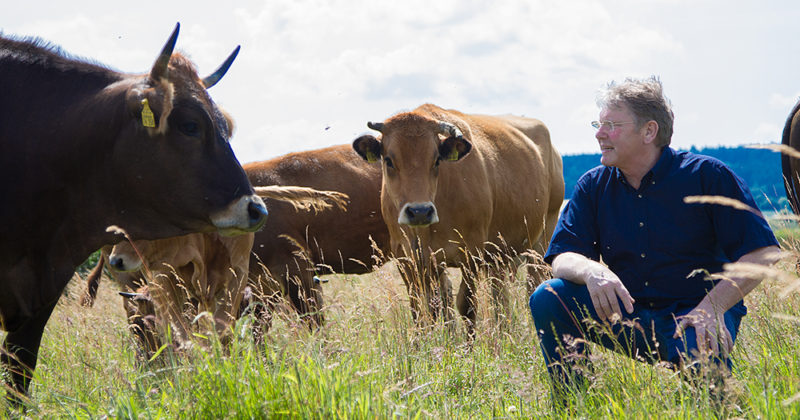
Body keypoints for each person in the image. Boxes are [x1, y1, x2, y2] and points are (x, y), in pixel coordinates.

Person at [529, 76, 780, 403]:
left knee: (714, 400)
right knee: (549, 297)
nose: (599, 134)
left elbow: (764, 253)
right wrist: (591, 270)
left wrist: (713, 307)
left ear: (649, 131)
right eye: (598, 124)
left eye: (611, 125)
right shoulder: (593, 185)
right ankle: (577, 404)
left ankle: (722, 404)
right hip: (627, 316)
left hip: (696, 317)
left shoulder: (707, 176)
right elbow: (563, 256)